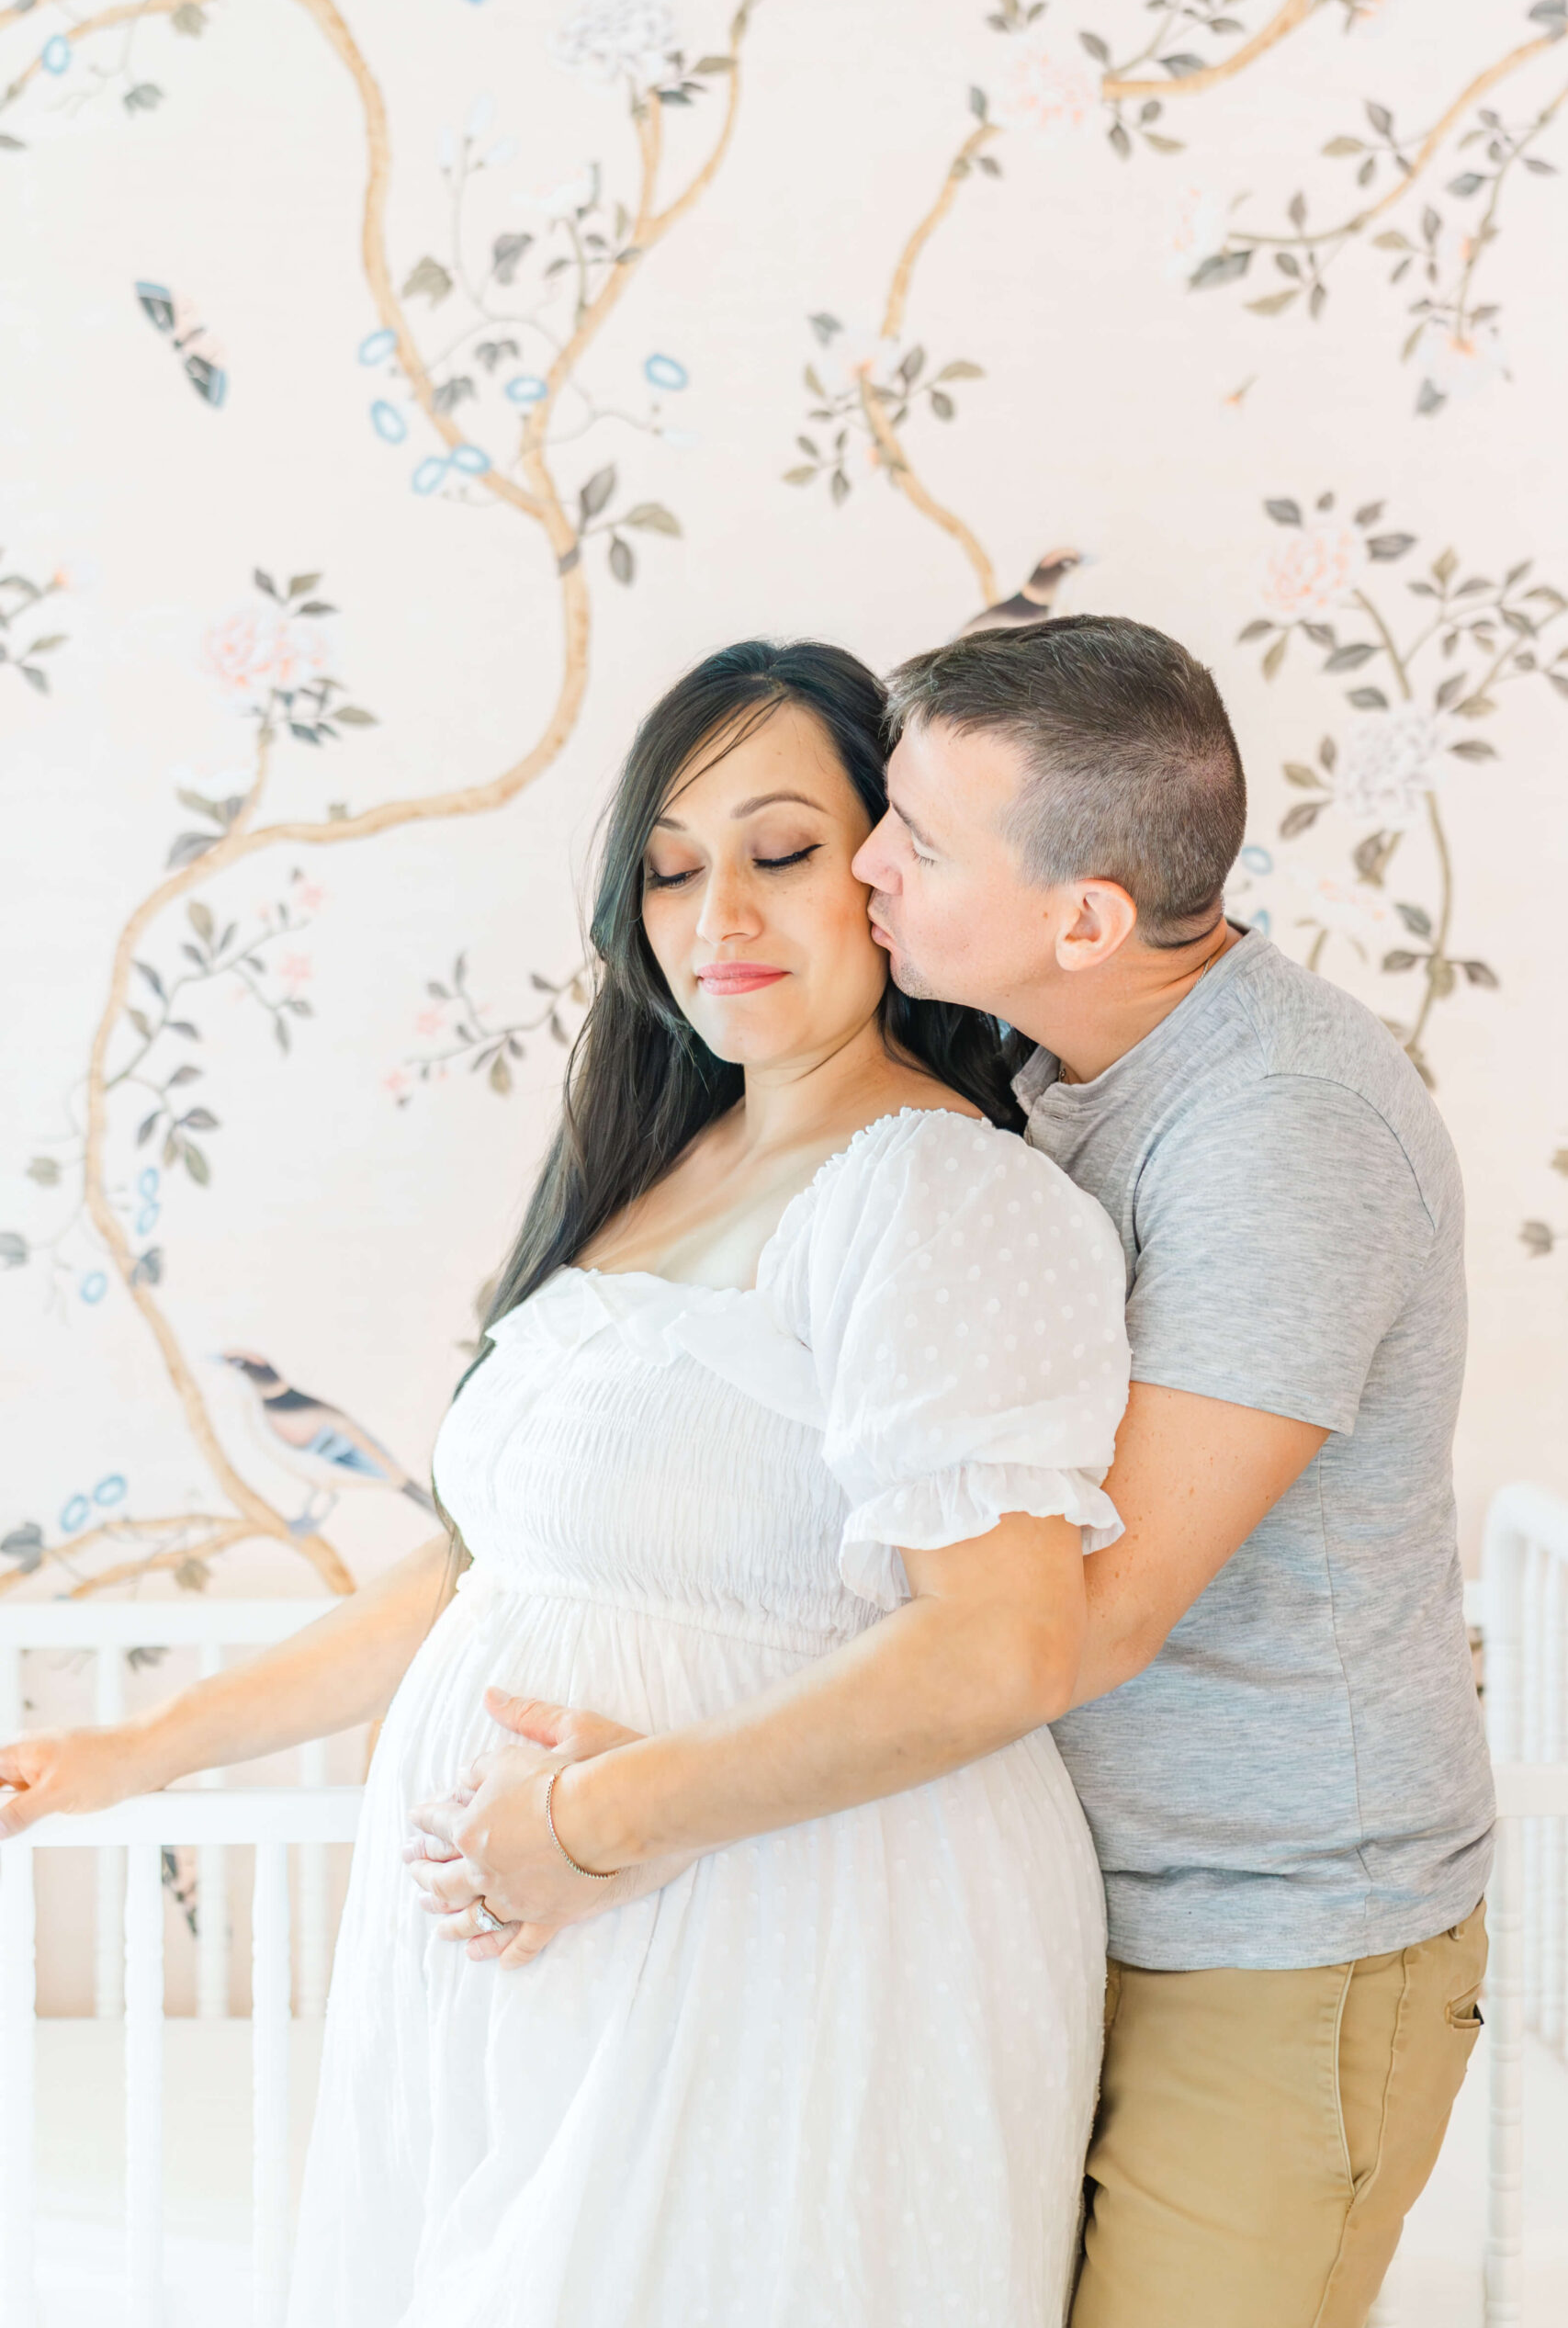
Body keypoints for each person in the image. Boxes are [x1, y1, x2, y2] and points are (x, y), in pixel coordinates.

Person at [0, 640, 1131, 2328]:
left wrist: (599, 1829)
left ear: (886, 873)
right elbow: (485, 1580)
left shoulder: (939, 1200)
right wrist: (133, 1751)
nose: (717, 919)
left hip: (783, 1933)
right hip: (545, 1945)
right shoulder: (647, 1174)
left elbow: (1003, 1649)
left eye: (780, 851)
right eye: (671, 869)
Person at [414, 616, 1493, 2328]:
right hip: (1044, 1890)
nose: (866, 874)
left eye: (907, 838)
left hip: (1263, 1931)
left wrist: (617, 1816)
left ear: (1083, 917)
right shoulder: (1058, 1079)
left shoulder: (1283, 1126)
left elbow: (1067, 1628)